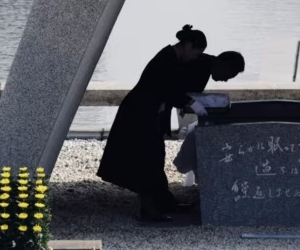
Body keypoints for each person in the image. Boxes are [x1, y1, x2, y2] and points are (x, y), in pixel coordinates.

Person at [97, 25, 244, 221]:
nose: (195, 58)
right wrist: (190, 102)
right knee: (146, 160)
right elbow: (168, 89)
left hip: (150, 113)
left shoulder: (178, 59)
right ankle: (150, 208)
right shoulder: (166, 59)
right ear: (188, 46)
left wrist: (191, 102)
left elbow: (177, 91)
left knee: (154, 157)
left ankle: (164, 202)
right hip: (139, 113)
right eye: (195, 53)